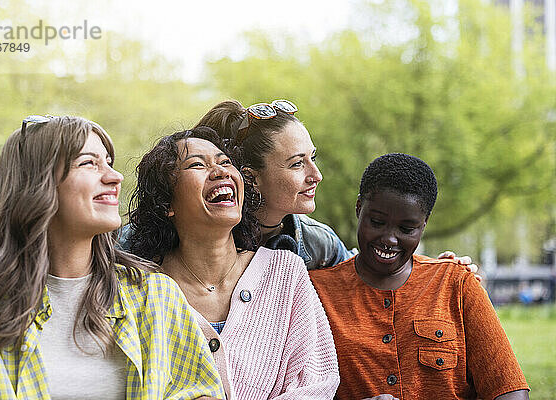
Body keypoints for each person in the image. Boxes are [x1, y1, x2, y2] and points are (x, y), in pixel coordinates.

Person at [0, 116, 224, 400]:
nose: (115, 177)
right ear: (36, 184)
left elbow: (199, 391)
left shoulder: (155, 296)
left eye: (109, 162)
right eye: (88, 163)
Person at [125, 127, 340, 399]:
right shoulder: (139, 290)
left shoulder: (286, 272)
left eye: (225, 162)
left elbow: (316, 383)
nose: (220, 171)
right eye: (197, 165)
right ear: (167, 202)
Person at [309, 153, 529, 400]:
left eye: (406, 229)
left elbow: (509, 391)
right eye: (377, 222)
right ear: (359, 208)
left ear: (424, 223)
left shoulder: (456, 283)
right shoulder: (315, 293)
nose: (389, 239)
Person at [193, 99, 479, 273]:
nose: (316, 175)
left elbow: (362, 276)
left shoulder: (317, 242)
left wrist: (435, 271)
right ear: (250, 177)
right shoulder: (205, 238)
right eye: (296, 164)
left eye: (312, 158)